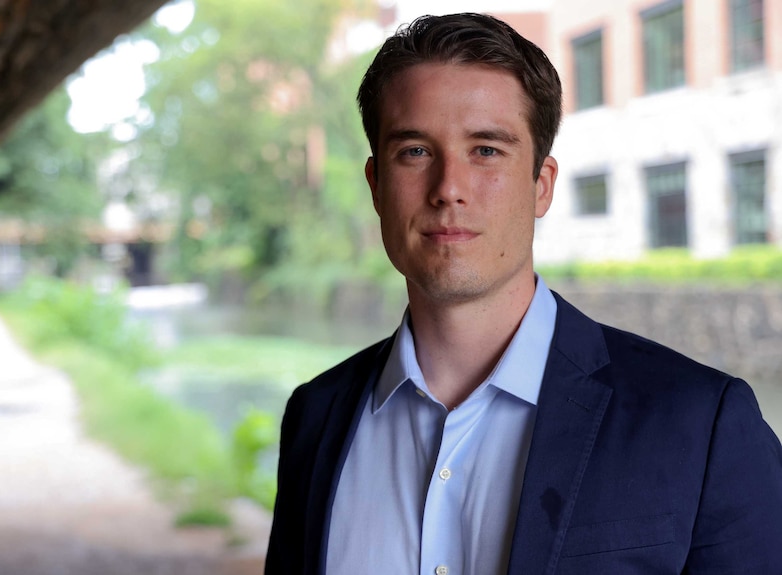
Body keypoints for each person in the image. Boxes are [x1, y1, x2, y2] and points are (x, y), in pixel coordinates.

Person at [265, 12, 782, 575]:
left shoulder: (702, 424)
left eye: (486, 150)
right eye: (414, 151)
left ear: (542, 186)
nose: (449, 189)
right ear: (376, 187)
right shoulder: (314, 418)